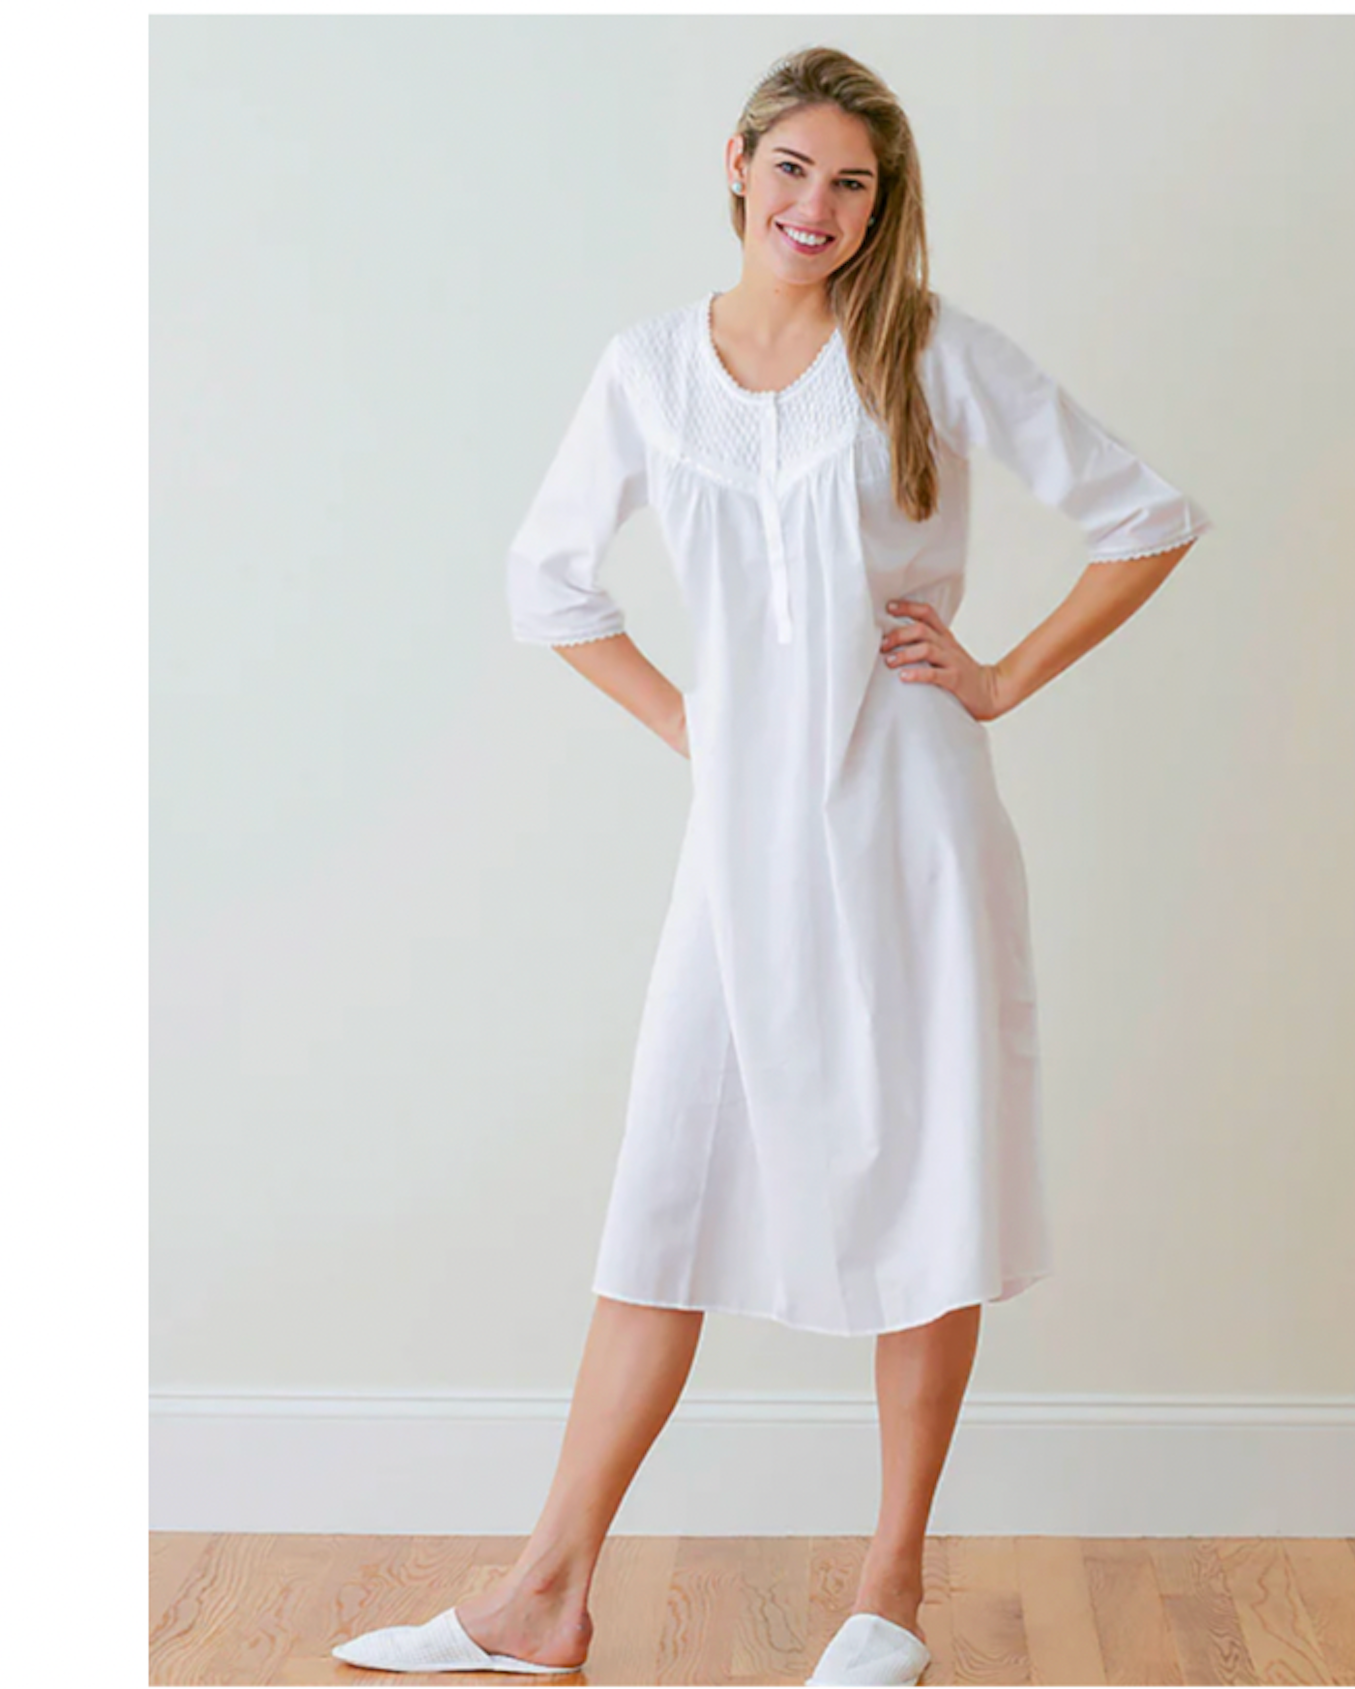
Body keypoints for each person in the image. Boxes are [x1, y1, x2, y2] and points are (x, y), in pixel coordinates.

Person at [333, 44, 1211, 1688]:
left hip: (913, 824)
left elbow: (1146, 516)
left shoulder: (926, 353)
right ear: (737, 166)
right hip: (742, 843)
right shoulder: (649, 371)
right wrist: (701, 728)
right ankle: (543, 1595)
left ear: (885, 206)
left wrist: (1000, 677)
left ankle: (891, 1598)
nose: (819, 206)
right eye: (795, 168)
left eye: (854, 183)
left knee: (928, 1181)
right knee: (666, 1189)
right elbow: (548, 583)